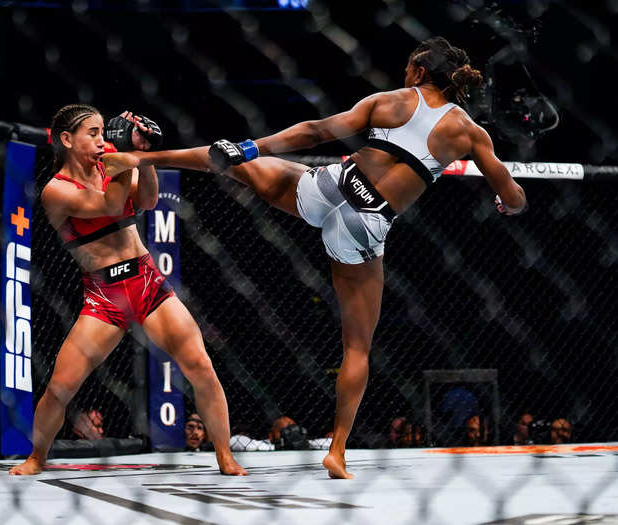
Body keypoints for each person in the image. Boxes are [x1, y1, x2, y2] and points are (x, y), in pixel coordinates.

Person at [133, 36, 527, 478]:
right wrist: (508, 203)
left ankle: (143, 157)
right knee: (357, 345)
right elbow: (512, 194)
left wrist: (251, 147)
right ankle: (337, 450)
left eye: (408, 68)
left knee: (240, 165)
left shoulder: (395, 100)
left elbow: (317, 130)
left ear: (419, 72)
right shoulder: (471, 132)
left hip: (335, 184)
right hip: (366, 225)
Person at [9, 105, 246, 476]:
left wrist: (145, 157)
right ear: (67, 140)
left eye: (105, 131)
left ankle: (224, 456)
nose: (102, 140)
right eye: (93, 133)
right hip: (104, 296)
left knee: (201, 365)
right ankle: (37, 457)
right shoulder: (56, 191)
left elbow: (149, 200)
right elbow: (111, 204)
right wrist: (127, 158)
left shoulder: (111, 167)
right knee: (60, 387)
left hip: (148, 282)